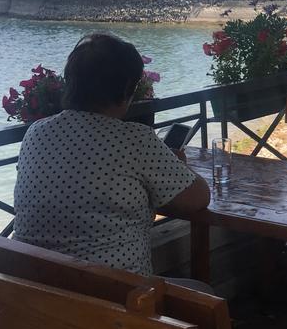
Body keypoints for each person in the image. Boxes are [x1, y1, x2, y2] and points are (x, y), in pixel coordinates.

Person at [14, 33, 210, 277]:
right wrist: (181, 166)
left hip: (34, 293)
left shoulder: (36, 134)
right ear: (126, 88)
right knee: (204, 296)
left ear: (72, 82)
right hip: (117, 299)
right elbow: (198, 199)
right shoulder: (135, 140)